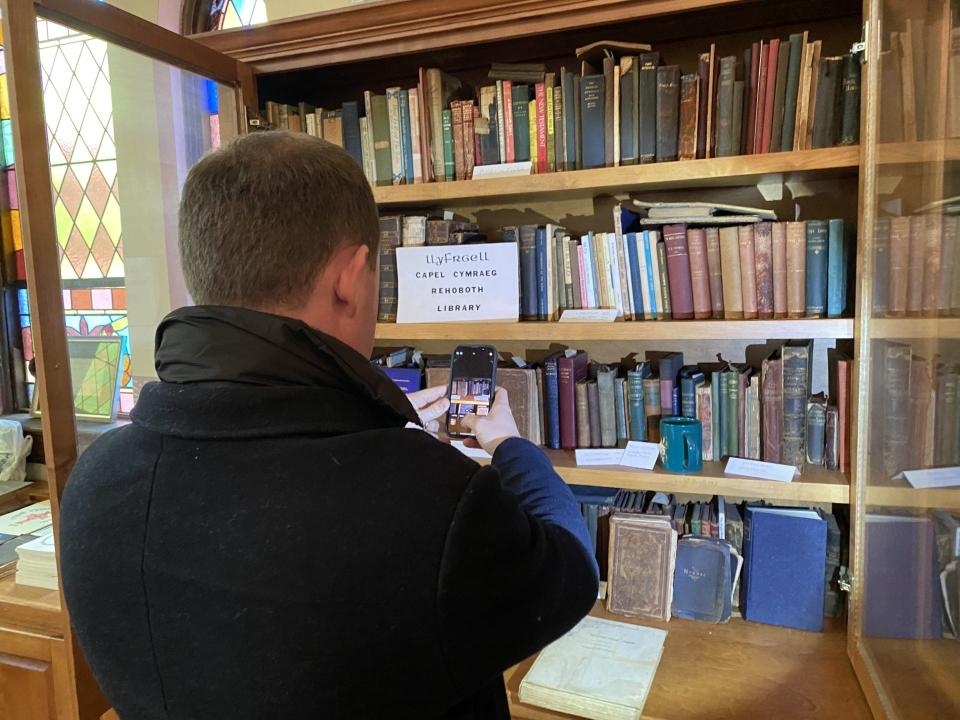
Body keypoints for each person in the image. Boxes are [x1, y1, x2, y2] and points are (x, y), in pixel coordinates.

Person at [59, 131, 598, 719]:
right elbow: (569, 574)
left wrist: (384, 435)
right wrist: (512, 446)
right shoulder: (432, 498)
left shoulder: (93, 482)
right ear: (352, 276)